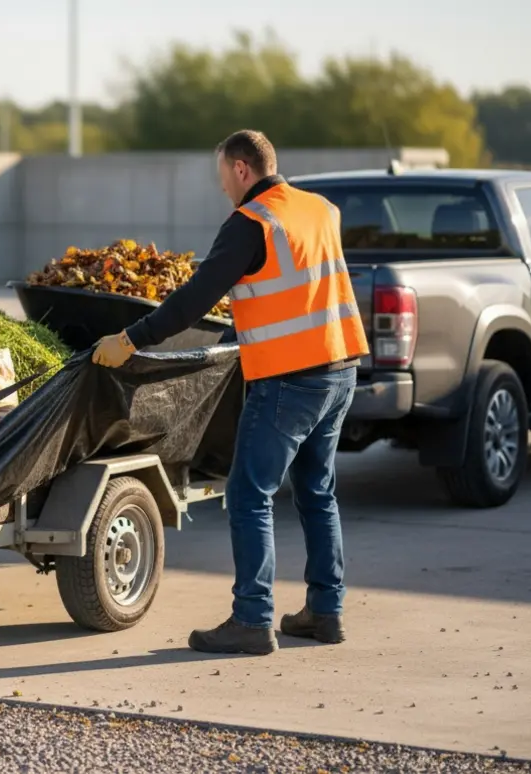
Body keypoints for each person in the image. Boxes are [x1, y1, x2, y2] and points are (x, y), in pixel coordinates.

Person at [92, 129, 369, 656]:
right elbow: (291, 288)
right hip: (340, 369)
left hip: (290, 379)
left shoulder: (250, 223)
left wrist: (131, 339)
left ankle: (252, 620)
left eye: (222, 174)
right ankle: (326, 612)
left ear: (242, 169)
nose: (222, 187)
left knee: (248, 494)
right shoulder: (320, 209)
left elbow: (195, 298)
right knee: (317, 492)